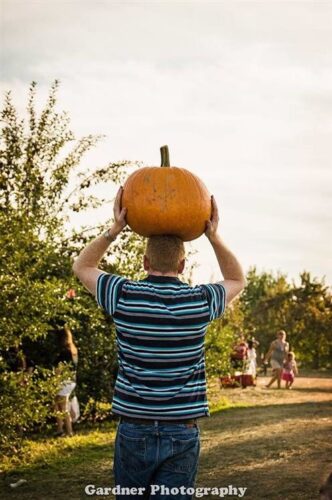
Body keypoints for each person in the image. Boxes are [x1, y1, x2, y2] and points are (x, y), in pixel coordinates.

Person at [73, 188, 245, 499]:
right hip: (182, 429)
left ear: (144, 261)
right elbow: (236, 279)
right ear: (182, 266)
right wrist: (213, 237)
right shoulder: (200, 301)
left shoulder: (122, 295)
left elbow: (82, 267)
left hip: (134, 428)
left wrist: (114, 230)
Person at [54, 323, 78, 437]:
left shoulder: (64, 352)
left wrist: (55, 382)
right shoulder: (73, 349)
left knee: (62, 407)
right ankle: (60, 430)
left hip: (64, 381)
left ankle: (69, 431)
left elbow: (59, 369)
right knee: (60, 405)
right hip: (71, 380)